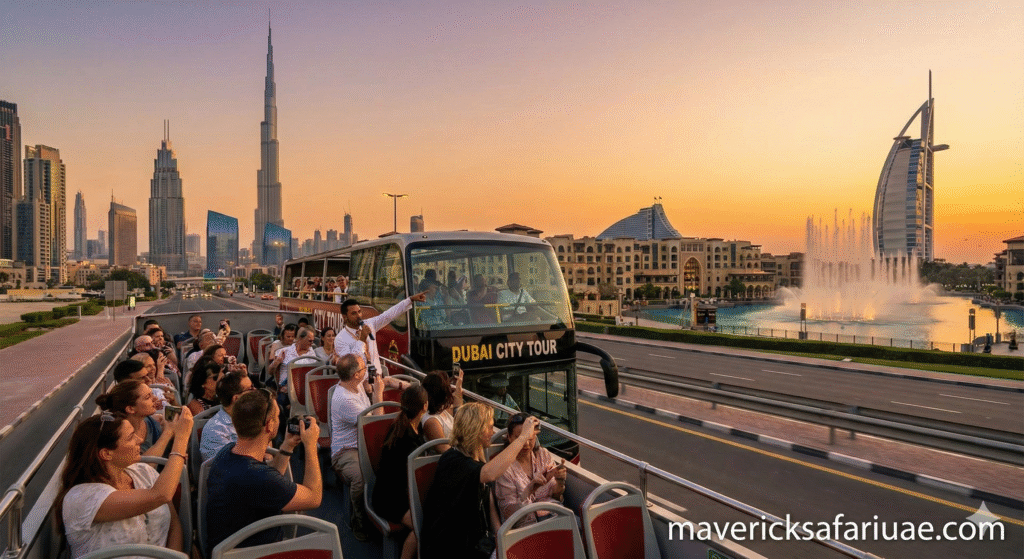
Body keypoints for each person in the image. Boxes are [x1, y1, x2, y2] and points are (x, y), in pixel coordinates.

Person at [58, 408, 193, 558]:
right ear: (106, 454)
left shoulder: (143, 472)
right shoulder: (83, 498)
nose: (139, 440)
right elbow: (161, 495)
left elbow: (174, 525)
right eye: (130, 437)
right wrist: (181, 439)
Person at [204, 389, 321, 556]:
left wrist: (287, 446)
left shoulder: (227, 452)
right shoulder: (258, 477)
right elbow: (314, 497)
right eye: (278, 416)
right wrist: (311, 446)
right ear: (269, 425)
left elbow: (267, 479)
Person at [420, 403, 540, 559]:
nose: (492, 431)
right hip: (449, 546)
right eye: (489, 427)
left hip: (475, 543)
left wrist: (502, 541)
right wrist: (523, 437)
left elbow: (490, 512)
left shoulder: (477, 462)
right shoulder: (453, 461)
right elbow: (490, 474)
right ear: (475, 430)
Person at [329, 353, 386, 541]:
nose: (365, 370)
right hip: (346, 451)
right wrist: (378, 394)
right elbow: (376, 421)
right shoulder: (345, 400)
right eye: (363, 368)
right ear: (355, 375)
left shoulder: (357, 385)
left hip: (364, 443)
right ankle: (359, 520)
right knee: (360, 478)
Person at [372, 385, 428, 559]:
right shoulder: (409, 441)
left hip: (390, 493)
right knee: (423, 527)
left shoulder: (402, 426)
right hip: (391, 500)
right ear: (424, 407)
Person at [494, 413, 567, 527]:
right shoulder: (504, 468)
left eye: (531, 438)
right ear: (509, 437)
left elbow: (555, 495)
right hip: (527, 527)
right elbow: (509, 513)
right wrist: (528, 491)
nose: (526, 444)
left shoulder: (543, 455)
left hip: (554, 515)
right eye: (520, 438)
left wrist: (560, 482)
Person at [334, 291, 428, 376]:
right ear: (345, 317)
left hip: (377, 376)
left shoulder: (369, 324)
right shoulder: (340, 339)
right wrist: (362, 339)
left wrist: (410, 299)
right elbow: (350, 365)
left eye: (359, 312)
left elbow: (388, 315)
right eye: (353, 313)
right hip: (358, 383)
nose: (358, 316)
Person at [95, 380, 173, 457]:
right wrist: (168, 432)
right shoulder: (120, 439)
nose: (155, 398)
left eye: (152, 394)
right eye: (147, 397)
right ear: (131, 409)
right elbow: (141, 467)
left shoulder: (150, 420)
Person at [198, 371, 252, 462]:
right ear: (236, 398)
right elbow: (231, 467)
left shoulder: (249, 417)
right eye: (250, 389)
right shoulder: (215, 430)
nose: (255, 392)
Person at [421, 370, 463, 453]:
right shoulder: (431, 421)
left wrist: (458, 389)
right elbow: (444, 450)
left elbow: (459, 412)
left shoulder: (442, 410)